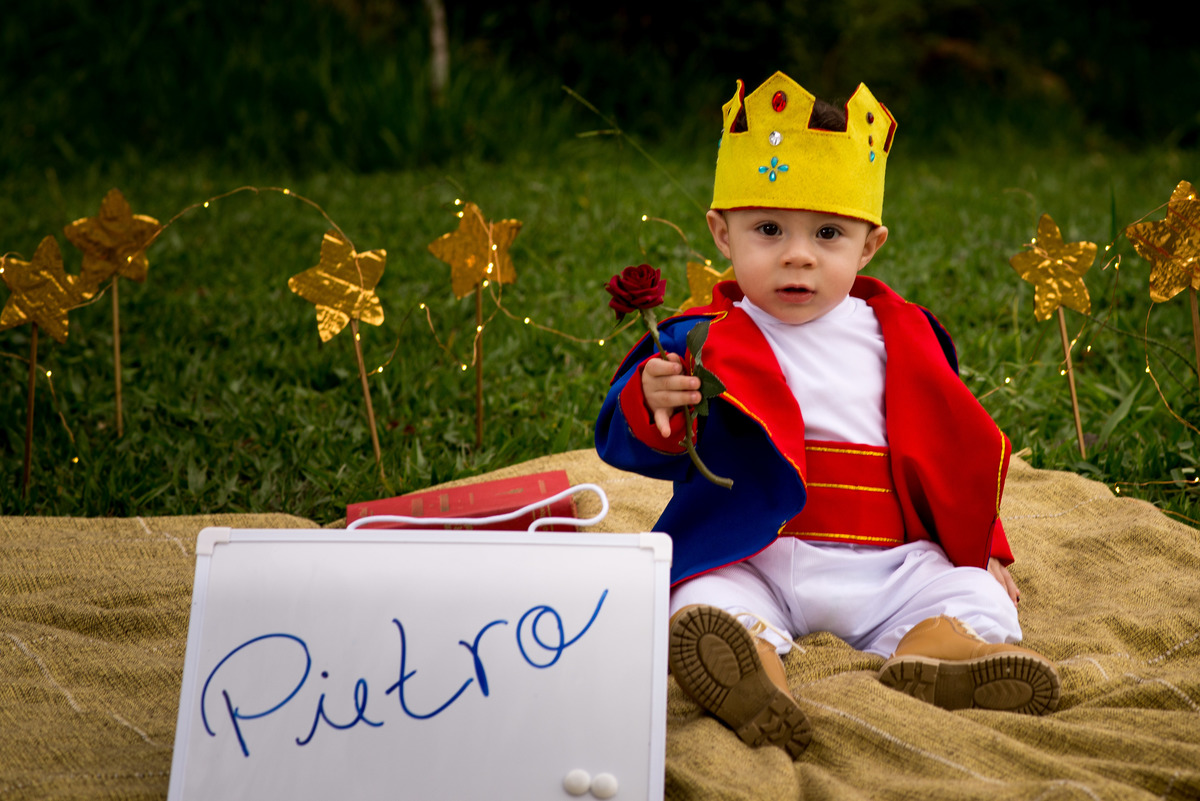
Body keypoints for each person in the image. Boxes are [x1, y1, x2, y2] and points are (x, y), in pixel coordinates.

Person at [594, 71, 1060, 760]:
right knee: (702, 598)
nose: (798, 254)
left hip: (888, 560)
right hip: (757, 551)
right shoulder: (702, 336)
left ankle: (937, 651)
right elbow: (624, 439)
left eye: (829, 234)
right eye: (769, 229)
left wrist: (984, 543)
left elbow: (954, 446)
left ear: (869, 245)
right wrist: (652, 398)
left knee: (975, 593)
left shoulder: (901, 332)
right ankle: (750, 667)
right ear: (722, 233)